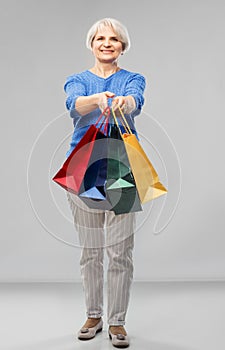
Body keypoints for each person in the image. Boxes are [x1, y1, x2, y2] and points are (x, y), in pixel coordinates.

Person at [64, 18, 146, 348]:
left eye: (114, 39)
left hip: (123, 170)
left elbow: (135, 100)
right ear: (92, 44)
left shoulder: (132, 79)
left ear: (122, 46)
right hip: (82, 169)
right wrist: (97, 99)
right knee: (90, 252)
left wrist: (124, 102)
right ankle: (94, 314)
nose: (106, 43)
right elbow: (74, 104)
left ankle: (117, 322)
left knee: (121, 253)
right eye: (100, 38)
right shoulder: (78, 80)